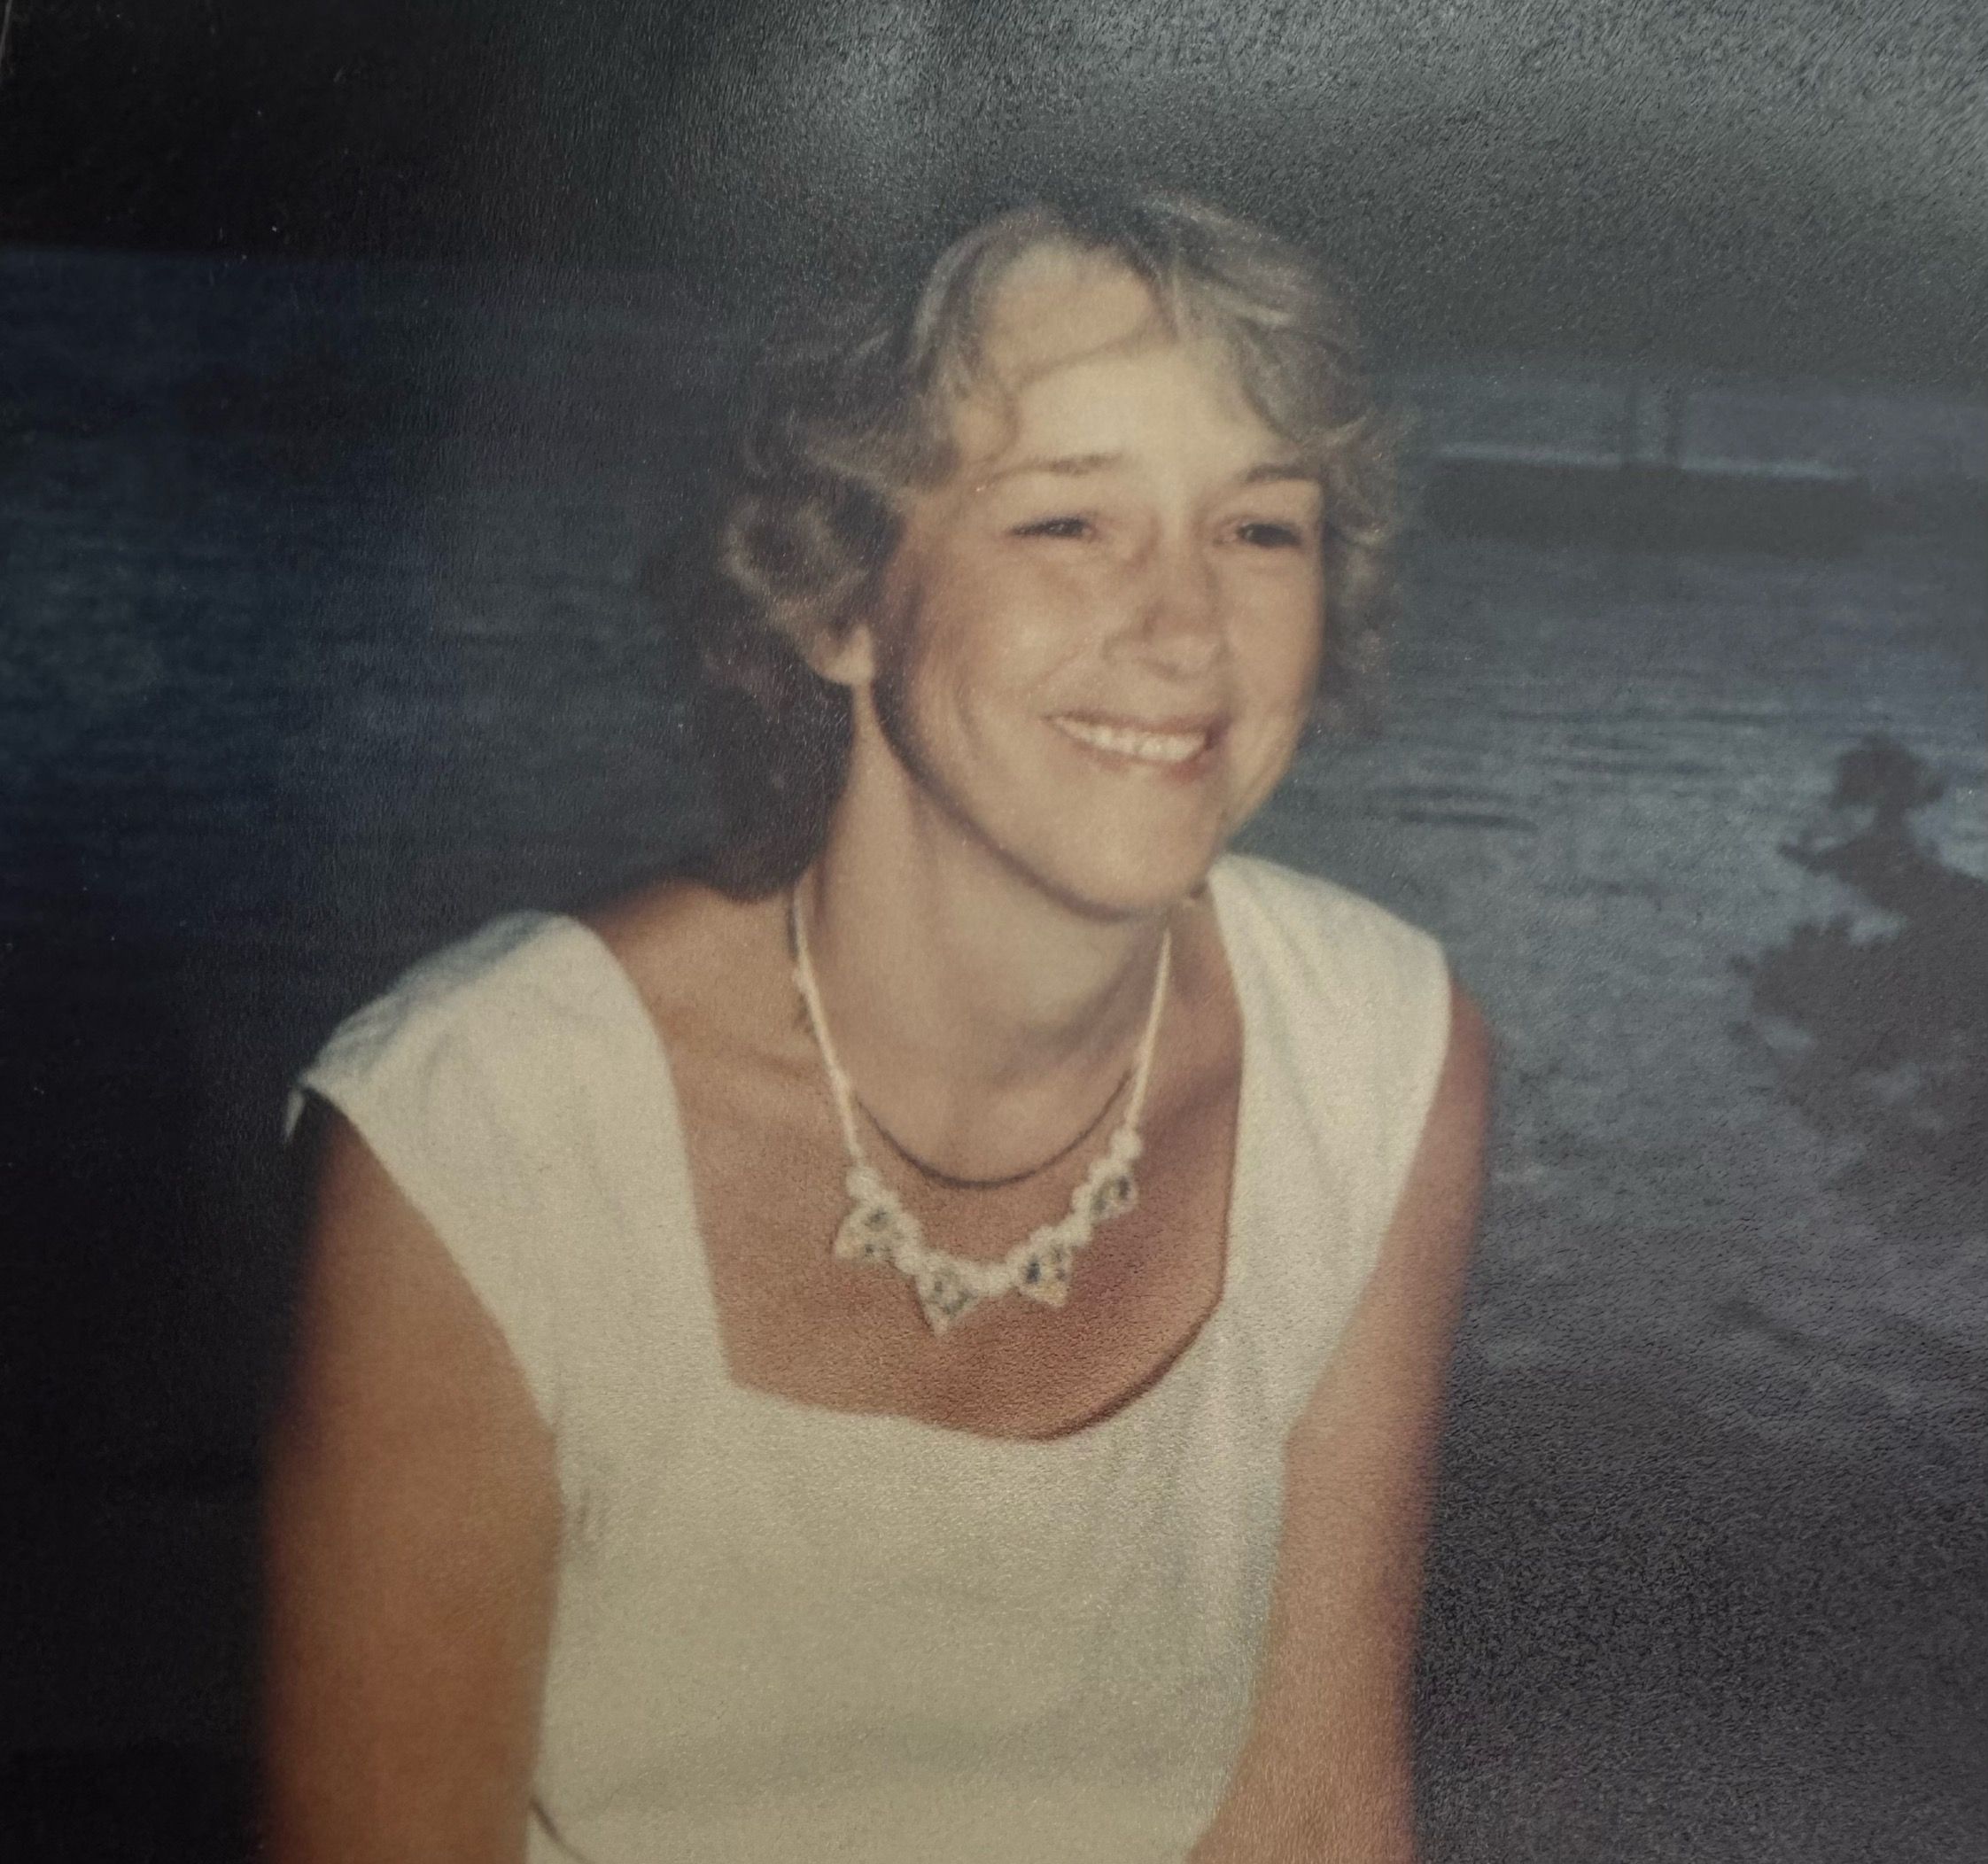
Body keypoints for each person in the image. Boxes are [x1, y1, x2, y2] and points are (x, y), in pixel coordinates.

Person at [262, 191, 1490, 1863]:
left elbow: (1316, 1817)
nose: (1188, 628)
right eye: (1070, 522)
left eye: (1261, 530)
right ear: (835, 598)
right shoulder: (485, 1139)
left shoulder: (1378, 1061)